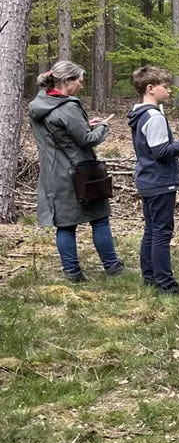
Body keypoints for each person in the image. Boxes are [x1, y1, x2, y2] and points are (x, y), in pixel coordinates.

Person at [28, 60, 124, 282]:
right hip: (80, 174)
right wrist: (103, 126)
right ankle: (112, 266)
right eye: (79, 81)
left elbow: (60, 132)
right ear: (67, 81)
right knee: (99, 218)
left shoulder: (40, 103)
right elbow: (86, 141)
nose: (81, 85)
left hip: (53, 175)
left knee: (65, 224)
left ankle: (72, 272)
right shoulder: (68, 107)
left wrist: (85, 124)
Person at [127, 66, 179, 295]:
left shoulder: (139, 114)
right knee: (161, 233)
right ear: (150, 89)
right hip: (159, 182)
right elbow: (162, 151)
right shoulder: (153, 117)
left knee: (152, 230)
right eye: (166, 86)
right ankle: (166, 284)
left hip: (148, 180)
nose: (169, 91)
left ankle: (151, 277)